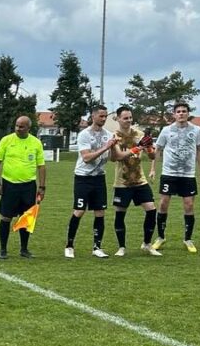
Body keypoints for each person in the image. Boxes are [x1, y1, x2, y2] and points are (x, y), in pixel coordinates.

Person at [151, 102, 200, 253]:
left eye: (184, 111)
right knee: (163, 204)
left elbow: (199, 150)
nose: (181, 114)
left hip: (187, 174)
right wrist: (153, 168)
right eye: (178, 111)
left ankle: (188, 239)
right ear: (174, 114)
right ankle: (161, 237)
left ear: (188, 113)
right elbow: (158, 149)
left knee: (189, 205)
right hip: (169, 173)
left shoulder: (196, 130)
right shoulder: (166, 130)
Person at [0, 114, 47, 259]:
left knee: (27, 217)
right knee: (6, 217)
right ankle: (3, 249)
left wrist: (42, 187)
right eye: (16, 125)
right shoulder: (6, 140)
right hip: (9, 185)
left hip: (28, 186)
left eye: (21, 126)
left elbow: (41, 166)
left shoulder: (35, 143)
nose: (18, 128)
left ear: (29, 128)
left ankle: (24, 249)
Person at [109, 106, 159, 256]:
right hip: (122, 182)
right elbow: (117, 156)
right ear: (118, 119)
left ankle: (147, 244)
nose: (129, 120)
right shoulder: (115, 136)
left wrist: (149, 147)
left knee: (151, 210)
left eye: (130, 117)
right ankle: (122, 247)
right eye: (125, 118)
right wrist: (138, 148)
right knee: (120, 213)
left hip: (140, 180)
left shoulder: (139, 133)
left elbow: (151, 156)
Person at [65, 106, 113, 259]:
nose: (104, 119)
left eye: (105, 116)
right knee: (79, 211)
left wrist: (133, 150)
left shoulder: (109, 135)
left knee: (100, 212)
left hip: (99, 178)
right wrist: (106, 147)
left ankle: (97, 247)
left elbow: (114, 157)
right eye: (101, 116)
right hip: (83, 178)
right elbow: (86, 158)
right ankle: (69, 245)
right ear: (93, 117)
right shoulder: (84, 135)